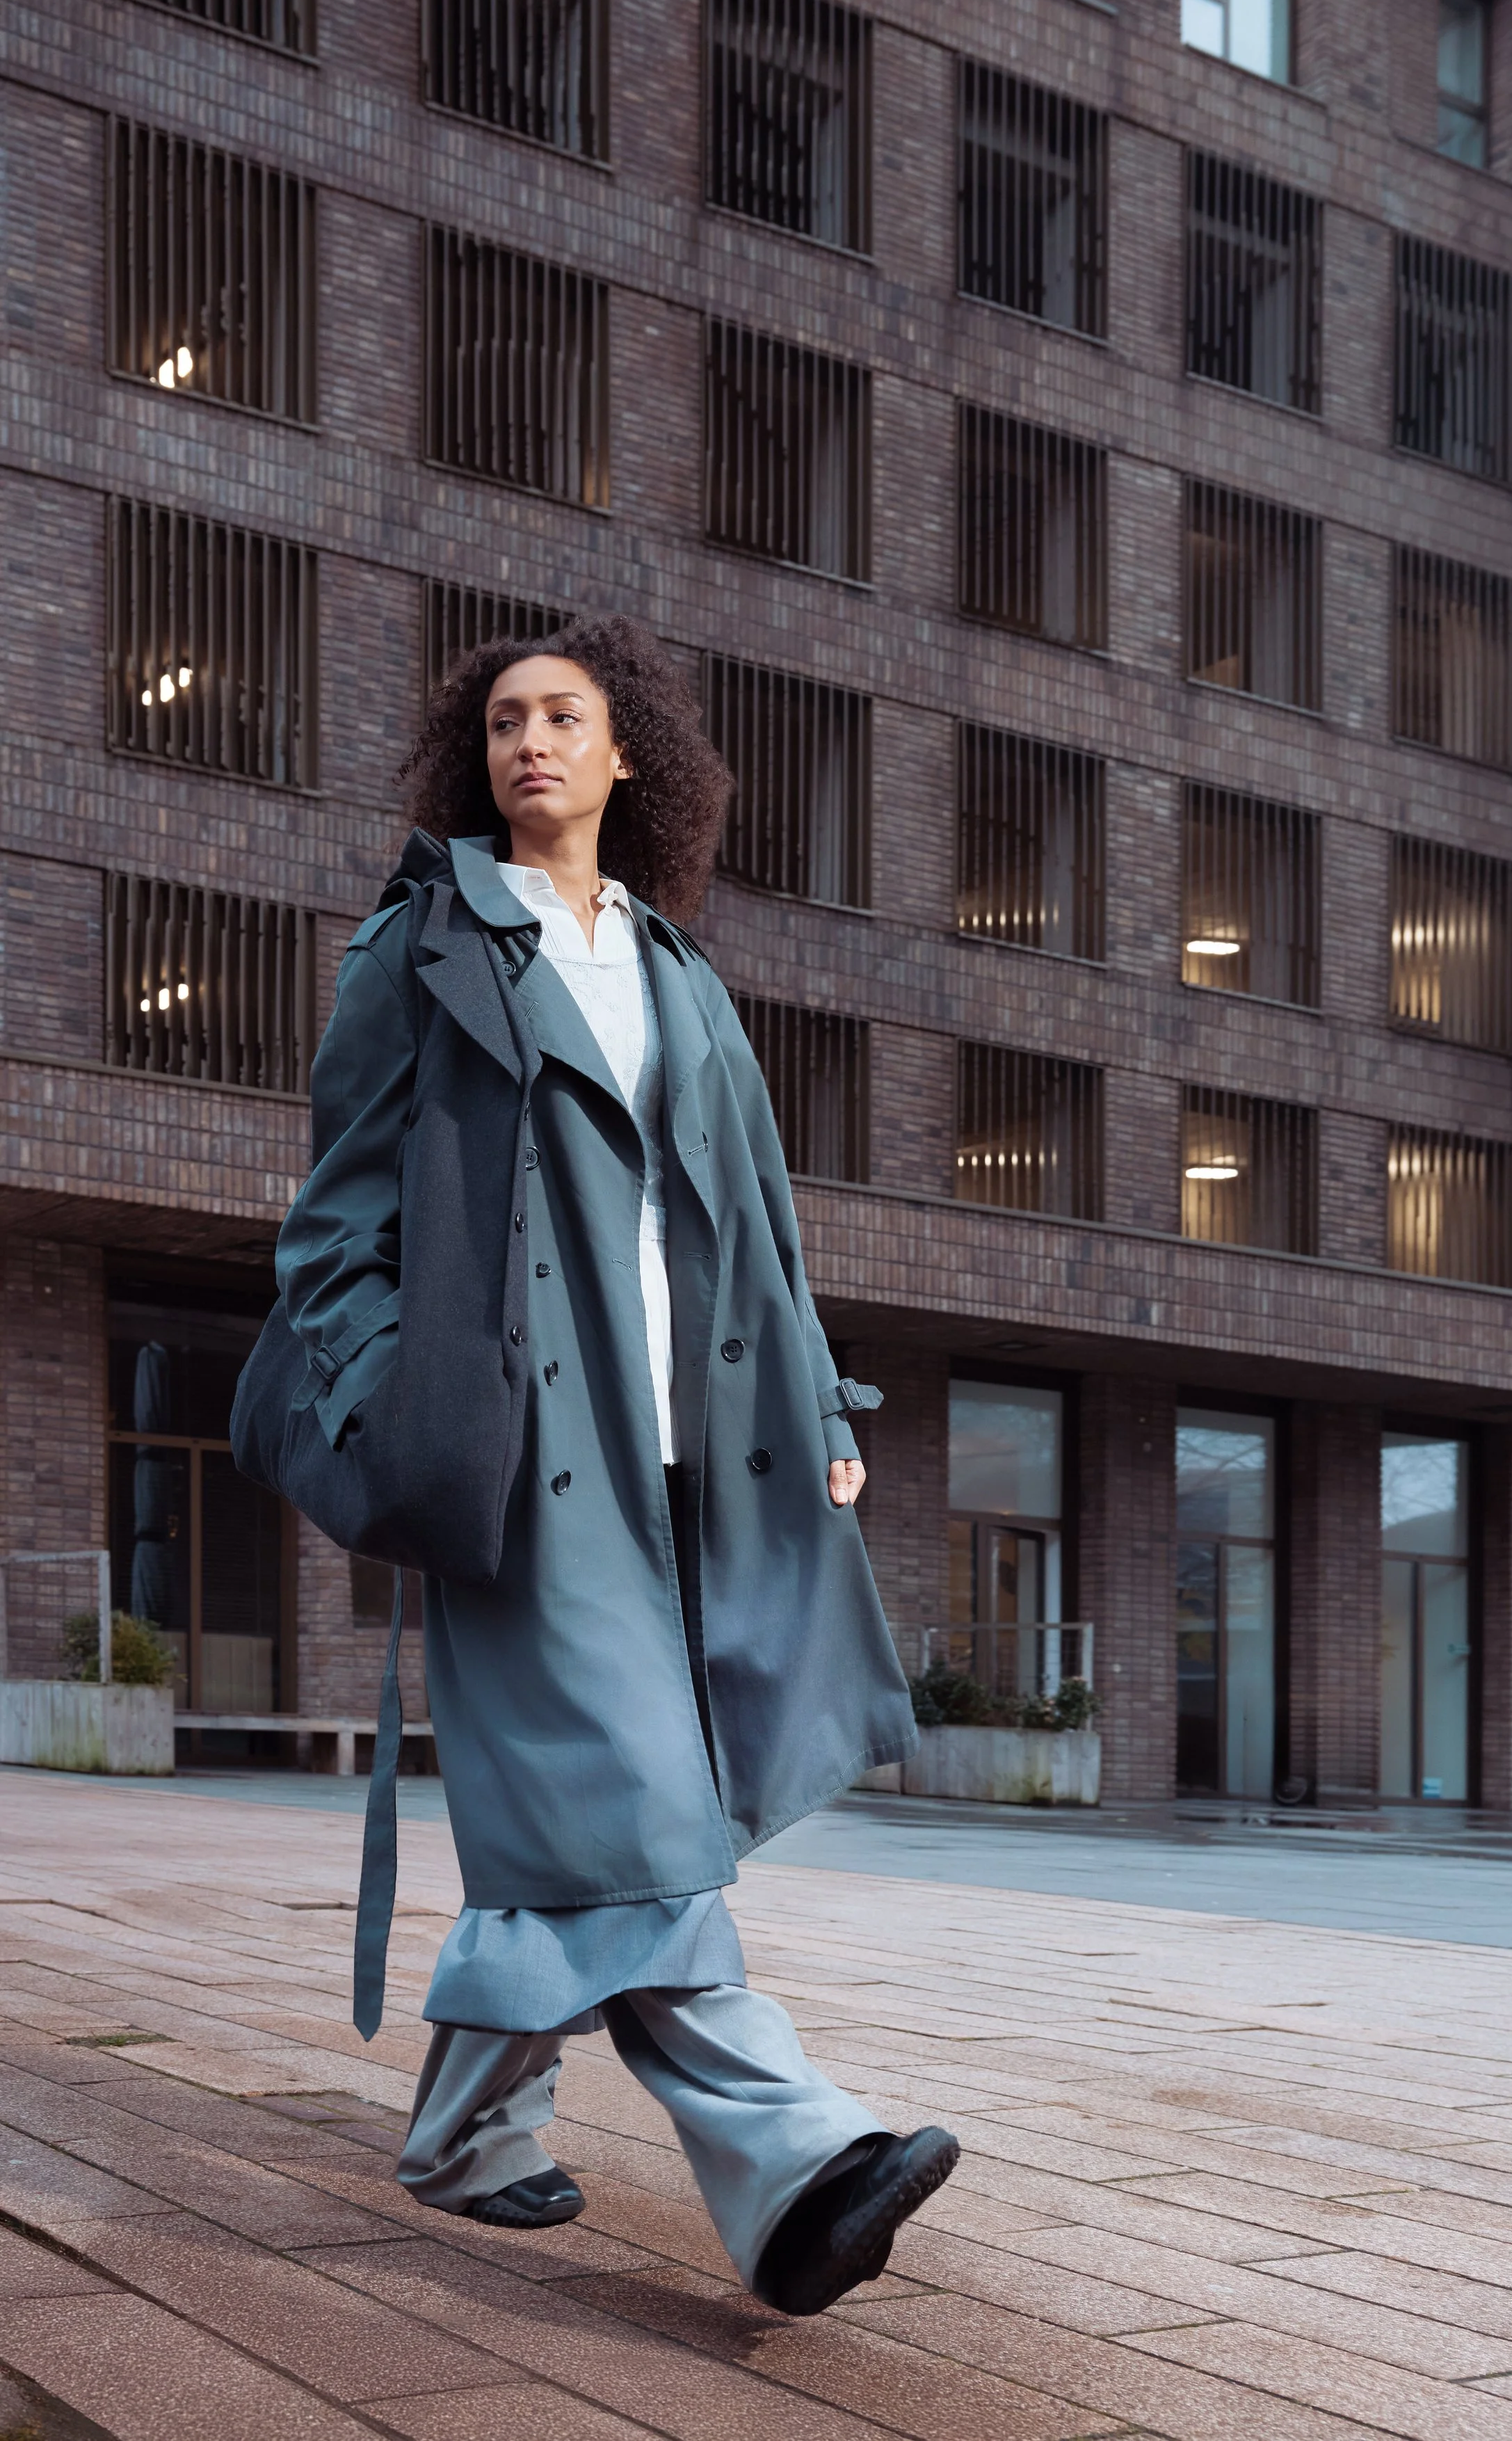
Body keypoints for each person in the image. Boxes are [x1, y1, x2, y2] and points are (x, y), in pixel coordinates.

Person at [232, 616, 956, 2315]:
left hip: (694, 1453)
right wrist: (379, 1397)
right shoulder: (421, 945)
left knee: (602, 1801)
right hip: (516, 1452)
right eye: (501, 724)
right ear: (471, 759)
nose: (530, 745)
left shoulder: (680, 970)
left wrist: (824, 1415)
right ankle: (794, 2169)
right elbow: (335, 1219)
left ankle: (468, 2135)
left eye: (563, 718)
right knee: (636, 1806)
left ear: (630, 754)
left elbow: (758, 1229)